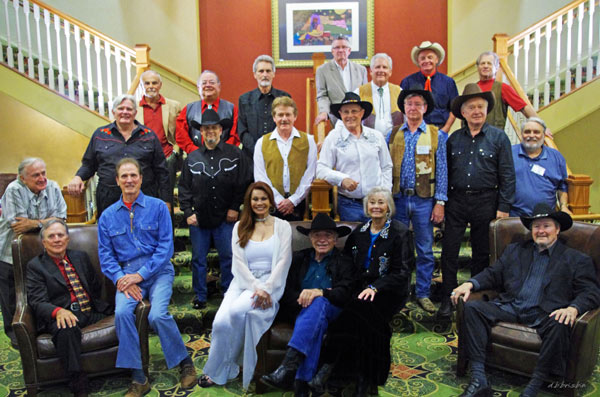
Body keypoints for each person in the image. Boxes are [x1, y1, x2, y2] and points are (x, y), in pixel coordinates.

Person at [451, 203, 600, 397]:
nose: (541, 231)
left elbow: (591, 292)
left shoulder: (576, 259)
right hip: (511, 306)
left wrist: (573, 308)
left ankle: (532, 388)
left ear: (557, 229)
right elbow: (493, 273)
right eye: (536, 226)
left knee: (561, 323)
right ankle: (479, 379)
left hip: (546, 314)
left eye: (546, 225)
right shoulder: (515, 250)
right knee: (472, 309)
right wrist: (470, 284)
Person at [98, 158, 196, 397]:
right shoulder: (107, 216)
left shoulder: (159, 207)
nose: (129, 180)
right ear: (117, 181)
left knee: (157, 315)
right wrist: (122, 278)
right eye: (124, 176)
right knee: (121, 313)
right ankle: (139, 376)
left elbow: (165, 249)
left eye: (134, 175)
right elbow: (106, 256)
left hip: (158, 271)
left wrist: (139, 276)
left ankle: (185, 363)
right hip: (127, 275)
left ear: (141, 178)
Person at [314, 187, 414, 396]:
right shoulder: (358, 232)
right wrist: (341, 285)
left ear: (389, 207)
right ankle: (362, 379)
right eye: (372, 203)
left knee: (359, 313)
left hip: (389, 291)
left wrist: (375, 287)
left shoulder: (400, 232)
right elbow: (347, 265)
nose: (376, 207)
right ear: (366, 206)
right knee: (362, 321)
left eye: (380, 202)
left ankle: (334, 371)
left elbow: (402, 272)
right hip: (359, 290)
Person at [199, 181, 292, 390]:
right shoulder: (240, 226)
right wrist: (254, 286)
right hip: (243, 282)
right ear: (248, 203)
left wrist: (265, 288)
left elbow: (283, 262)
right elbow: (238, 263)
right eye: (255, 199)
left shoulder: (282, 226)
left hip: (271, 285)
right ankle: (218, 368)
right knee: (220, 323)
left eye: (263, 198)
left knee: (237, 311)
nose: (259, 203)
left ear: (271, 201)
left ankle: (227, 365)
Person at [439, 83, 515, 318]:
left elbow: (508, 175)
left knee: (481, 253)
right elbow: (445, 172)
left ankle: (472, 298)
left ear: (486, 109)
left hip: (486, 201)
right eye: (471, 107)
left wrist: (504, 207)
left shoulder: (499, 138)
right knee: (449, 251)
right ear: (463, 112)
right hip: (456, 201)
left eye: (480, 107)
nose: (476, 111)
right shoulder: (452, 140)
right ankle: (446, 298)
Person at [260, 213, 355, 396]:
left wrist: (320, 293)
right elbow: (285, 292)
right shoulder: (297, 259)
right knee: (314, 322)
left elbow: (345, 292)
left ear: (335, 240)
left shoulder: (344, 261)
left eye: (327, 235)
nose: (322, 240)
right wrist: (304, 300)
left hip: (334, 311)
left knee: (318, 302)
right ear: (310, 238)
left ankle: (288, 367)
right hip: (300, 311)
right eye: (317, 235)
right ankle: (303, 385)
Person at [27, 220, 113, 397]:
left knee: (124, 315)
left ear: (67, 239)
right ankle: (77, 380)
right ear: (44, 242)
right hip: (61, 315)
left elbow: (95, 285)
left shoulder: (80, 257)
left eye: (61, 235)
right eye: (51, 236)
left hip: (89, 311)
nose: (57, 239)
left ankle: (134, 370)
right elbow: (36, 301)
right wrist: (58, 311)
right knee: (67, 327)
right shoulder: (36, 266)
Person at [178, 109, 252, 309]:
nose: (210, 131)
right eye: (206, 128)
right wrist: (187, 212)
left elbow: (243, 182)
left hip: (226, 218)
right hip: (199, 218)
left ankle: (229, 293)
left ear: (221, 130)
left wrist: (234, 207)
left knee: (228, 256)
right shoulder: (191, 158)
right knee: (198, 259)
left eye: (214, 128)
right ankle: (200, 296)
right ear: (201, 131)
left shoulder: (235, 154)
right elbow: (183, 187)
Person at [388, 85, 447, 313]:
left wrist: (440, 202)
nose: (413, 108)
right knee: (400, 250)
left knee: (424, 250)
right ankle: (400, 295)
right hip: (399, 199)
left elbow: (442, 170)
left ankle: (423, 293)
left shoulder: (436, 134)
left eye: (418, 104)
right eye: (409, 104)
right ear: (403, 107)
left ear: (425, 108)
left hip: (424, 201)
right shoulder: (393, 134)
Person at [67, 94, 171, 218]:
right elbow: (88, 164)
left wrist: (166, 200)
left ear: (135, 112)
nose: (125, 112)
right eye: (121, 109)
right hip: (108, 198)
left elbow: (162, 171)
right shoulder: (100, 135)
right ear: (113, 112)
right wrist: (78, 177)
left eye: (129, 109)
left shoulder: (149, 135)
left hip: (144, 197)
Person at [0, 157, 67, 348]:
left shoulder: (53, 187)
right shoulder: (13, 190)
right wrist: (48, 222)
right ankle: (16, 337)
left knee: (37, 294)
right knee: (12, 298)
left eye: (43, 173)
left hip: (40, 254)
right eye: (36, 175)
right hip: (9, 254)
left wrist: (35, 223)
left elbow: (61, 219)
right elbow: (18, 225)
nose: (42, 178)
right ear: (22, 178)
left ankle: (38, 328)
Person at [317, 92, 393, 222]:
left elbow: (386, 167)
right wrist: (342, 179)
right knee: (354, 242)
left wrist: (385, 194)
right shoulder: (333, 138)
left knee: (378, 241)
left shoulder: (377, 136)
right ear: (340, 114)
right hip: (349, 205)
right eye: (346, 112)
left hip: (376, 204)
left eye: (354, 111)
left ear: (362, 113)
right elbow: (321, 169)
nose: (350, 115)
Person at [253, 96, 317, 221]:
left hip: (298, 204)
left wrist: (293, 200)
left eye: (288, 114)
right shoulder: (262, 142)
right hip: (271, 203)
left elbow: (310, 174)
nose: (284, 119)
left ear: (295, 117)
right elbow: (260, 176)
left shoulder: (308, 140)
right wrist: (279, 201)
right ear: (274, 117)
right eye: (280, 115)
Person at [135, 70, 183, 211]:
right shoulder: (135, 108)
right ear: (142, 86)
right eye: (147, 83)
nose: (151, 86)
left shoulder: (173, 105)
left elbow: (180, 132)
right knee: (146, 202)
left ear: (160, 85)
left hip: (167, 157)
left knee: (167, 202)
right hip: (144, 160)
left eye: (154, 83)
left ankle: (168, 233)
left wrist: (175, 151)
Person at [476, 51, 552, 136]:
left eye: (489, 63)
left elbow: (524, 108)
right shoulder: (472, 89)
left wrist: (541, 126)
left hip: (493, 140)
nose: (486, 66)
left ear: (497, 67)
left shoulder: (503, 88)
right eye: (482, 63)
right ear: (478, 67)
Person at [511, 117, 570, 217]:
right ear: (521, 134)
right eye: (527, 132)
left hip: (546, 219)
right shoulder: (509, 153)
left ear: (543, 135)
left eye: (536, 132)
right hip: (514, 217)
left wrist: (564, 206)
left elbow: (562, 186)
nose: (531, 135)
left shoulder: (556, 157)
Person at [238, 55, 291, 159]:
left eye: (268, 71)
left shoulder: (285, 97)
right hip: (251, 157)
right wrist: (257, 150)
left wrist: (272, 149)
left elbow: (287, 126)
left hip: (278, 155)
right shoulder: (244, 99)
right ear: (255, 75)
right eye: (261, 71)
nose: (265, 74)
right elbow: (242, 130)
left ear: (273, 74)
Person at [175, 70, 239, 154]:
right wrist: (196, 152)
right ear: (198, 88)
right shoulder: (188, 109)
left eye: (212, 82)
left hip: (225, 157)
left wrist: (223, 151)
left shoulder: (231, 108)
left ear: (219, 86)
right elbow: (180, 135)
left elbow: (236, 134)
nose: (208, 85)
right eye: (204, 83)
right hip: (196, 158)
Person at [401, 41, 458, 133]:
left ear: (436, 59)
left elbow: (454, 109)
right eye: (422, 58)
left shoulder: (448, 82)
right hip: (415, 130)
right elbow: (402, 108)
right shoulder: (407, 82)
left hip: (440, 129)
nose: (426, 61)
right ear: (418, 61)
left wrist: (445, 129)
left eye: (430, 57)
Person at [315, 35, 367, 125]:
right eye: (337, 47)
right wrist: (324, 112)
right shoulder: (322, 70)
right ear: (332, 51)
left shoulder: (361, 70)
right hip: (337, 118)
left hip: (358, 117)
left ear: (349, 51)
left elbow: (365, 94)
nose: (340, 50)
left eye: (344, 47)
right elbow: (322, 95)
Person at [356, 53, 403, 134]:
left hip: (393, 141)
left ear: (390, 72)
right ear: (371, 71)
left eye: (384, 67)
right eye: (377, 67)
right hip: (368, 141)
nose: (381, 70)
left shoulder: (399, 91)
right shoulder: (359, 92)